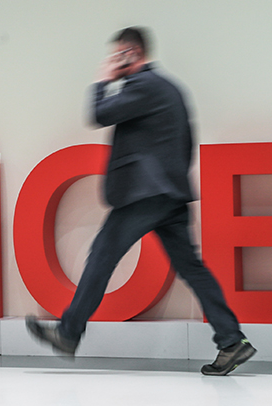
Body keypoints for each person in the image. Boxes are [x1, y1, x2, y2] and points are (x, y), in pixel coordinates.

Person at [26, 27, 256, 376]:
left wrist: (103, 79)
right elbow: (184, 142)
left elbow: (99, 113)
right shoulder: (169, 88)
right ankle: (231, 340)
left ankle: (69, 333)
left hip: (144, 195)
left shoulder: (144, 85)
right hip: (169, 195)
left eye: (117, 55)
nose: (113, 61)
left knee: (102, 256)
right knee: (192, 269)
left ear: (131, 53)